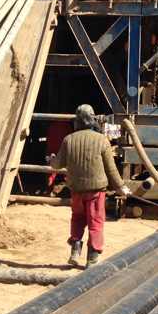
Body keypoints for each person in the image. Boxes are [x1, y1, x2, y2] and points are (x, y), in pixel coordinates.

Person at [49, 104, 130, 267]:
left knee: (77, 218)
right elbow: (111, 169)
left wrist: (51, 159)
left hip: (76, 190)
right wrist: (121, 186)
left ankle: (75, 250)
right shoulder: (102, 140)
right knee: (95, 222)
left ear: (77, 120)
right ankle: (92, 258)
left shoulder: (68, 139)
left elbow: (57, 164)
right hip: (96, 191)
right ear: (92, 119)